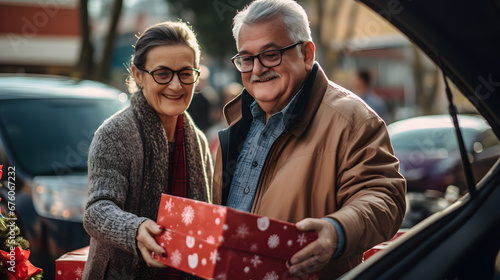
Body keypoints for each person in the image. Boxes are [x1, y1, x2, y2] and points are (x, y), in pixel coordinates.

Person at [212, 0, 406, 279]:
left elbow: (385, 198)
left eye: (270, 54)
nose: (256, 70)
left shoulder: (352, 119)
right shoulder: (237, 121)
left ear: (306, 53)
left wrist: (337, 231)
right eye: (246, 58)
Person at [83, 21, 212, 280]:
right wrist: (136, 228)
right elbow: (96, 209)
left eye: (186, 73)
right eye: (163, 73)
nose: (176, 86)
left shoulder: (197, 139)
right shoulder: (114, 133)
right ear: (138, 75)